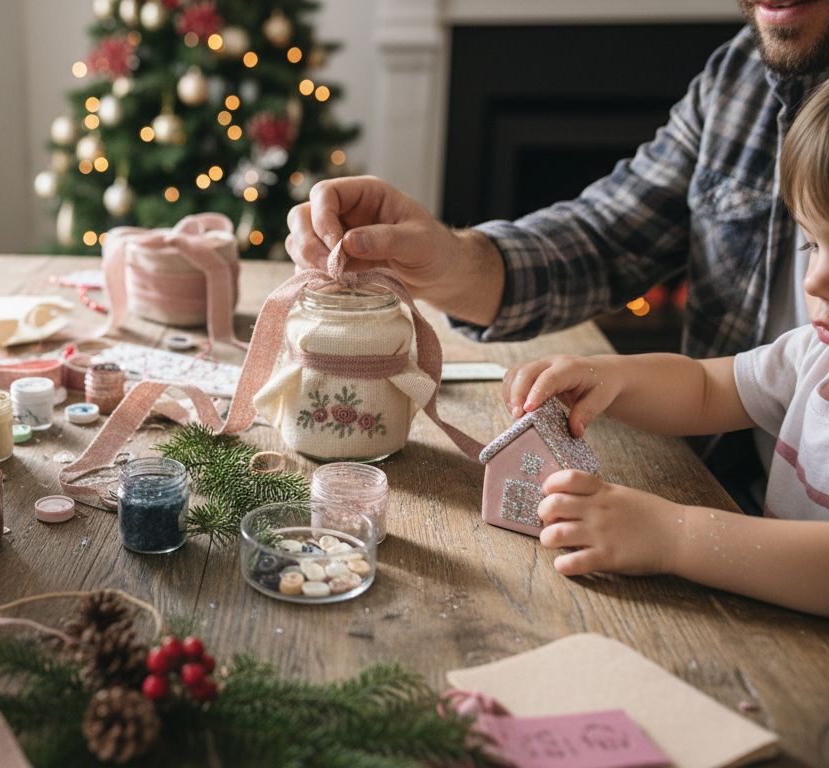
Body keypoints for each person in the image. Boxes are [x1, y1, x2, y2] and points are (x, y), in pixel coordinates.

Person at [286, 1, 829, 512]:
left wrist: (680, 535)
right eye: (810, 244)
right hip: (728, 496)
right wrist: (446, 259)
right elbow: (603, 237)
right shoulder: (739, 76)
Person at [492, 79, 829, 618]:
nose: (814, 280)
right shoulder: (815, 355)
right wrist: (611, 376)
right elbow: (706, 389)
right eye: (813, 243)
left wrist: (674, 536)